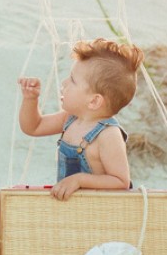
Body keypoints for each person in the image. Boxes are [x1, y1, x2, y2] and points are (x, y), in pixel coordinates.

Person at [17, 37, 144, 200]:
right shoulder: (70, 119)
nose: (64, 83)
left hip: (99, 212)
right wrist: (30, 99)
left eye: (72, 80)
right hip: (72, 209)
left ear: (94, 101)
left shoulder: (108, 135)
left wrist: (79, 180)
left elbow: (121, 181)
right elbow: (33, 127)